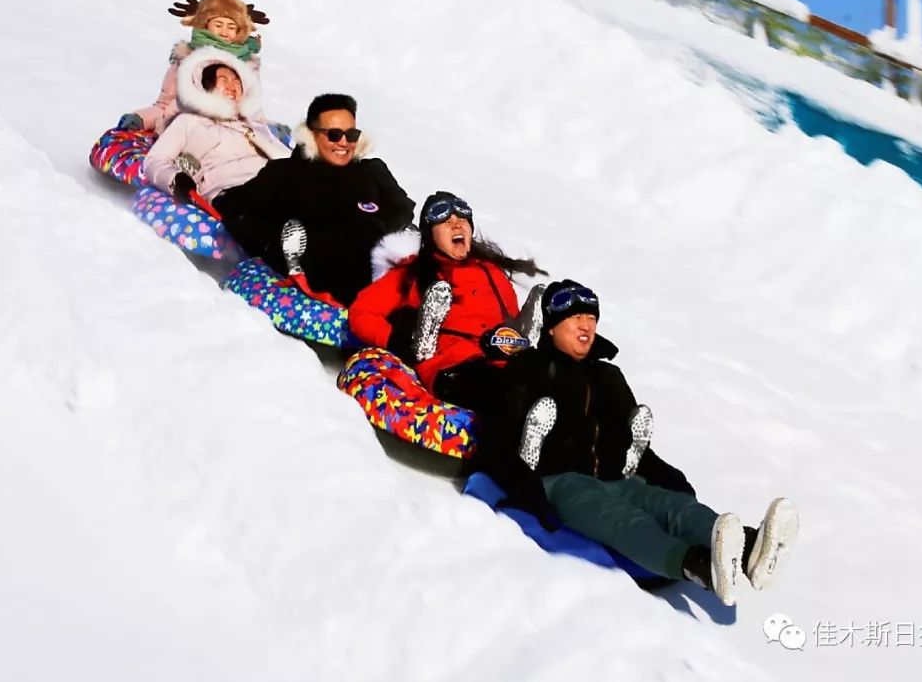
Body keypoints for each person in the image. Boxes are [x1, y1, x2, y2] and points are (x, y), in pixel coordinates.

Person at [470, 279, 799, 606]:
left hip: (616, 476)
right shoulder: (528, 368)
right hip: (559, 481)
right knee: (623, 520)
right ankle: (697, 565)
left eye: (591, 319)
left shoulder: (607, 377)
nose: (586, 326)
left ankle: (750, 551)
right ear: (553, 326)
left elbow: (628, 438)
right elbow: (498, 435)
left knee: (676, 507)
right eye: (575, 319)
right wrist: (526, 487)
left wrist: (669, 476)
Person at [349, 191, 546, 408]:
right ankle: (423, 340)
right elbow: (361, 312)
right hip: (452, 364)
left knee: (541, 382)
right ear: (430, 235)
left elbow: (505, 319)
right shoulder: (411, 274)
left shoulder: (492, 273)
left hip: (499, 358)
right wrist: (396, 340)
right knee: (505, 391)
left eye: (462, 220)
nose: (457, 225)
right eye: (446, 222)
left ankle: (528, 339)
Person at [214, 94, 415, 307]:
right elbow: (235, 209)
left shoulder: (372, 171)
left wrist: (381, 228)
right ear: (311, 134)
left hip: (376, 263)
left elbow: (402, 208)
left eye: (352, 134)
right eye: (334, 135)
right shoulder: (284, 174)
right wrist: (273, 242)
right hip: (319, 266)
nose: (344, 143)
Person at [141, 47, 289, 205]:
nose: (232, 86)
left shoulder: (255, 126)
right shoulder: (189, 122)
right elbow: (154, 160)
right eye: (224, 80)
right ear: (207, 85)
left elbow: (290, 160)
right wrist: (175, 178)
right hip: (231, 190)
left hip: (275, 184)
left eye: (237, 82)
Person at [119, 0, 268, 136]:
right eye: (218, 25)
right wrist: (141, 119)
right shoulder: (187, 58)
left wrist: (269, 132)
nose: (224, 32)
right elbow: (165, 104)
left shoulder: (246, 65)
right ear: (205, 25)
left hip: (234, 133)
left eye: (231, 27)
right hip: (186, 130)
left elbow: (253, 111)